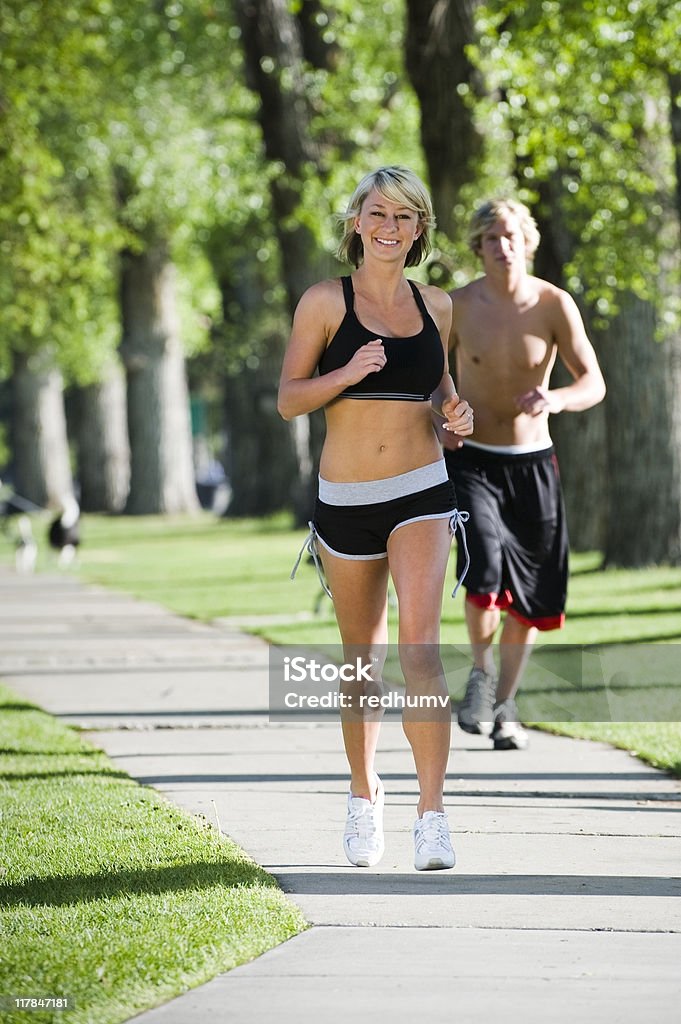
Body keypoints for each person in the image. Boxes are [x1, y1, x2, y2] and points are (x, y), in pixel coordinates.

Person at [278, 166, 474, 870]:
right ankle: (364, 798)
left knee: (420, 652)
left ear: (420, 229)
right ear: (356, 222)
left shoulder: (439, 307)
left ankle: (433, 814)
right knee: (362, 661)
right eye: (378, 214)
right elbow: (290, 399)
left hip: (421, 489)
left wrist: (455, 414)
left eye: (405, 217)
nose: (390, 228)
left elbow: (439, 392)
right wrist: (346, 373)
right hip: (346, 503)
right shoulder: (324, 303)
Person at [440, 198, 606, 750]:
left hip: (533, 464)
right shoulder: (458, 306)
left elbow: (593, 383)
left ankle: (507, 706)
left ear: (527, 242)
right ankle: (481, 678)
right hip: (473, 462)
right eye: (491, 238)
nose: (502, 246)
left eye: (511, 236)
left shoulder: (554, 304)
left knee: (531, 598)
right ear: (478, 247)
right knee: (483, 567)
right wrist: (444, 418)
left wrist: (554, 399)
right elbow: (431, 379)